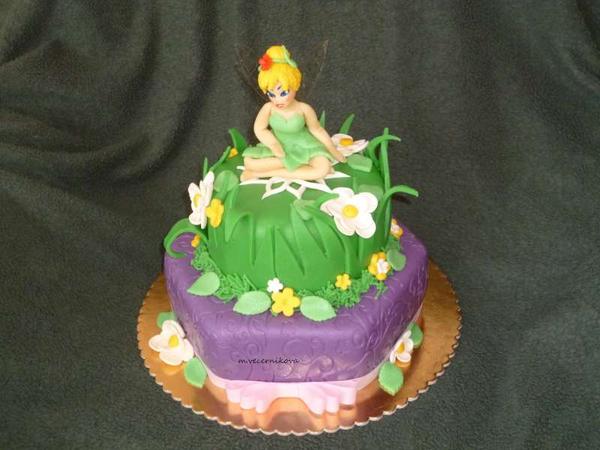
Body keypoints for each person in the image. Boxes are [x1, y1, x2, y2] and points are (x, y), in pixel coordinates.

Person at [240, 45, 346, 182]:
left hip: (304, 146)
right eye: (271, 94)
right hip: (279, 146)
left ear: (295, 86)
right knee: (249, 162)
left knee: (322, 168)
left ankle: (259, 174)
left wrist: (333, 149)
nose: (277, 100)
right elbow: (259, 129)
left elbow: (317, 130)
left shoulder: (304, 109)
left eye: (283, 93)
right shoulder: (268, 108)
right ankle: (299, 166)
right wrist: (273, 144)